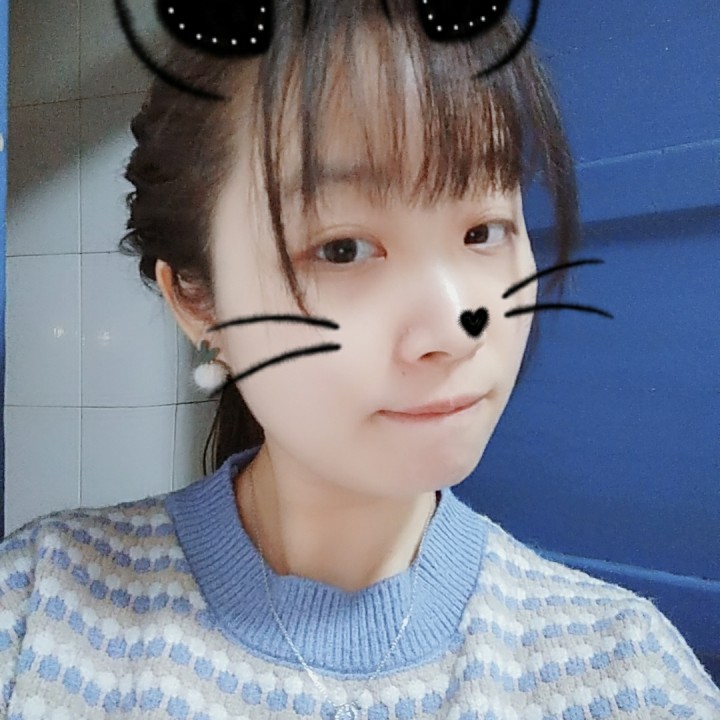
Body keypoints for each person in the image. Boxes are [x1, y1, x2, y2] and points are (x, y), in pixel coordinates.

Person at [2, 2, 719, 718]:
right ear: (198, 300)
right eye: (342, 249)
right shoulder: (38, 613)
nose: (456, 329)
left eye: (484, 230)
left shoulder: (622, 672)